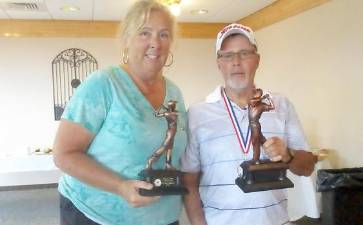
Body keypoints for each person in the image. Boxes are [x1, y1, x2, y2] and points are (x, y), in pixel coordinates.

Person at [53, 1, 186, 225]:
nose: (155, 43)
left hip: (163, 216)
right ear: (127, 39)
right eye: (145, 33)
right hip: (97, 216)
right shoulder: (103, 84)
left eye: (163, 34)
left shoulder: (174, 91)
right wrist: (120, 186)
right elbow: (64, 154)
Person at [181, 23, 317, 225]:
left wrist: (288, 155)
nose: (236, 62)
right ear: (219, 63)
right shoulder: (197, 113)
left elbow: (307, 168)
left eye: (244, 53)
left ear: (257, 60)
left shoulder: (281, 104)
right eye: (227, 55)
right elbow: (189, 180)